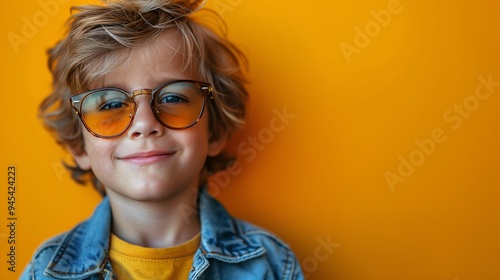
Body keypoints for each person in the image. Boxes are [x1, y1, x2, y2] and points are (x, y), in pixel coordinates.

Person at [21, 0, 303, 279]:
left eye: (172, 97)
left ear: (214, 131)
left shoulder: (272, 264)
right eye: (109, 105)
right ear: (79, 146)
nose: (144, 123)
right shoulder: (44, 271)